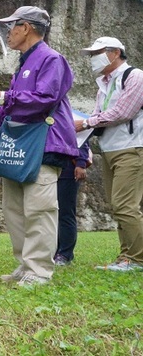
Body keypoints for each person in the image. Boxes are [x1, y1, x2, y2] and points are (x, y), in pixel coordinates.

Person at [0, 6, 78, 287]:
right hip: (20, 145)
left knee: (39, 208)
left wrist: (4, 96)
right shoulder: (24, 62)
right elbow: (17, 109)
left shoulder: (51, 59)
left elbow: (45, 98)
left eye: (12, 27)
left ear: (26, 27)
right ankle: (25, 265)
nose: (8, 34)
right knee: (15, 209)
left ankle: (39, 270)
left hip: (43, 143)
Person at [76, 37, 143, 271]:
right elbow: (99, 115)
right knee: (117, 206)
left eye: (98, 53)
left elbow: (123, 112)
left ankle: (137, 259)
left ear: (115, 53)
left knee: (126, 205)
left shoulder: (135, 76)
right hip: (110, 149)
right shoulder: (103, 83)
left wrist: (84, 124)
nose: (94, 59)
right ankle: (126, 257)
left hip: (132, 147)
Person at [54, 140, 91, 266]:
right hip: (47, 168)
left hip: (67, 169)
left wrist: (81, 163)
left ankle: (65, 254)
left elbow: (81, 138)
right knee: (49, 213)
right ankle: (53, 251)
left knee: (65, 212)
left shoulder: (69, 119)